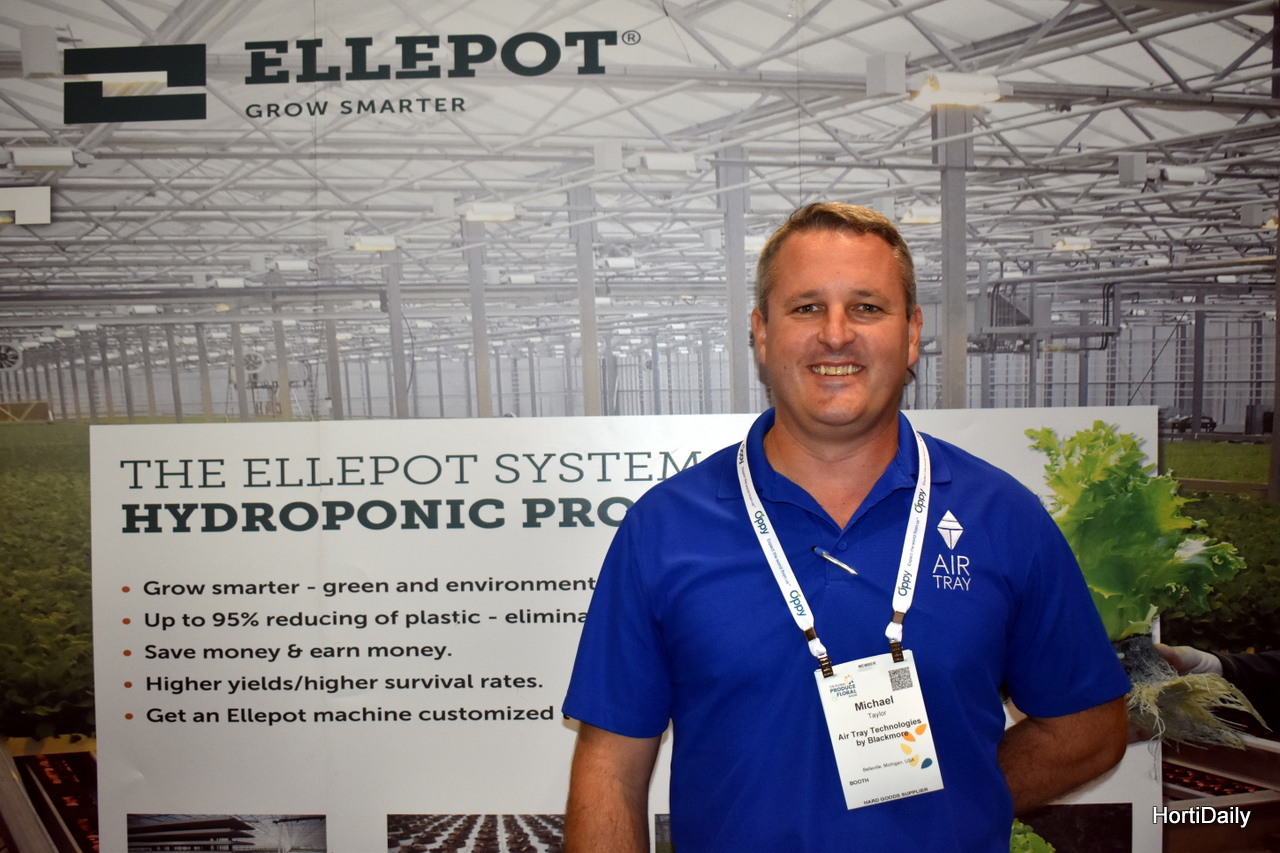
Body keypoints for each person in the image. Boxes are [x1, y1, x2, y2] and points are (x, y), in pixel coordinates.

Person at [561, 202, 1130, 852]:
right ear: (762, 334)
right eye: (807, 308)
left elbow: (1088, 730)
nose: (836, 334)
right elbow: (611, 770)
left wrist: (960, 796)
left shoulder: (1003, 517)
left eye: (867, 307)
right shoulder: (664, 529)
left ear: (911, 333)